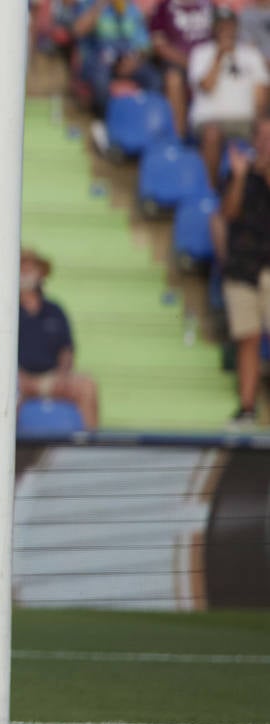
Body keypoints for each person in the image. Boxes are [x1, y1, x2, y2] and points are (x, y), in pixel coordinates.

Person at [218, 118, 270, 426]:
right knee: (246, 338)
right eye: (262, 136)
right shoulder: (238, 171)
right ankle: (247, 407)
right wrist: (240, 177)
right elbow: (228, 213)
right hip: (242, 266)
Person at [17, 248, 100, 431]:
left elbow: (66, 350)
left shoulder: (55, 310)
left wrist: (62, 375)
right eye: (23, 268)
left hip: (51, 378)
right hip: (18, 379)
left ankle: (91, 444)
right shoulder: (8, 310)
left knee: (87, 386)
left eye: (31, 268)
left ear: (41, 274)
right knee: (3, 393)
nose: (26, 274)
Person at [188, 8, 269, 185]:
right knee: (212, 133)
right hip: (210, 120)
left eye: (230, 25)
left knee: (267, 130)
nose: (226, 29)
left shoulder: (252, 54)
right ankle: (209, 193)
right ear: (214, 28)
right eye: (222, 26)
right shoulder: (200, 53)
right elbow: (206, 86)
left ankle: (258, 193)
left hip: (246, 122)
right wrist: (219, 55)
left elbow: (261, 93)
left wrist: (260, 122)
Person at [147, 0, 214, 140]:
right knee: (174, 79)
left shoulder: (210, 6)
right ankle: (179, 138)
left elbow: (223, 36)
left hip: (212, 63)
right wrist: (191, 64)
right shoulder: (164, 8)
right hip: (180, 65)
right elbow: (159, 45)